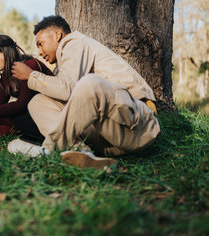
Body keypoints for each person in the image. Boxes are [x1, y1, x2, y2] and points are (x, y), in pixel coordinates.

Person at [10, 15, 160, 168]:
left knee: (90, 83)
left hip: (137, 126)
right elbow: (64, 91)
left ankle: (49, 148)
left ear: (57, 35)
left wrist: (31, 75)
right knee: (37, 102)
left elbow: (66, 89)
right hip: (108, 140)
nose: (40, 52)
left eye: (41, 44)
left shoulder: (74, 42)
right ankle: (78, 153)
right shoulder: (65, 65)